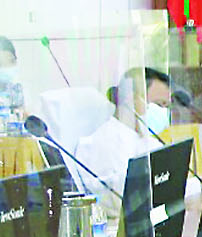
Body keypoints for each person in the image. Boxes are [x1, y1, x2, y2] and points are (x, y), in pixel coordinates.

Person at [73, 67, 172, 196]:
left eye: (166, 106)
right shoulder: (104, 142)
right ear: (131, 99)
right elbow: (118, 197)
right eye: (158, 104)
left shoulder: (147, 141)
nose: (163, 111)